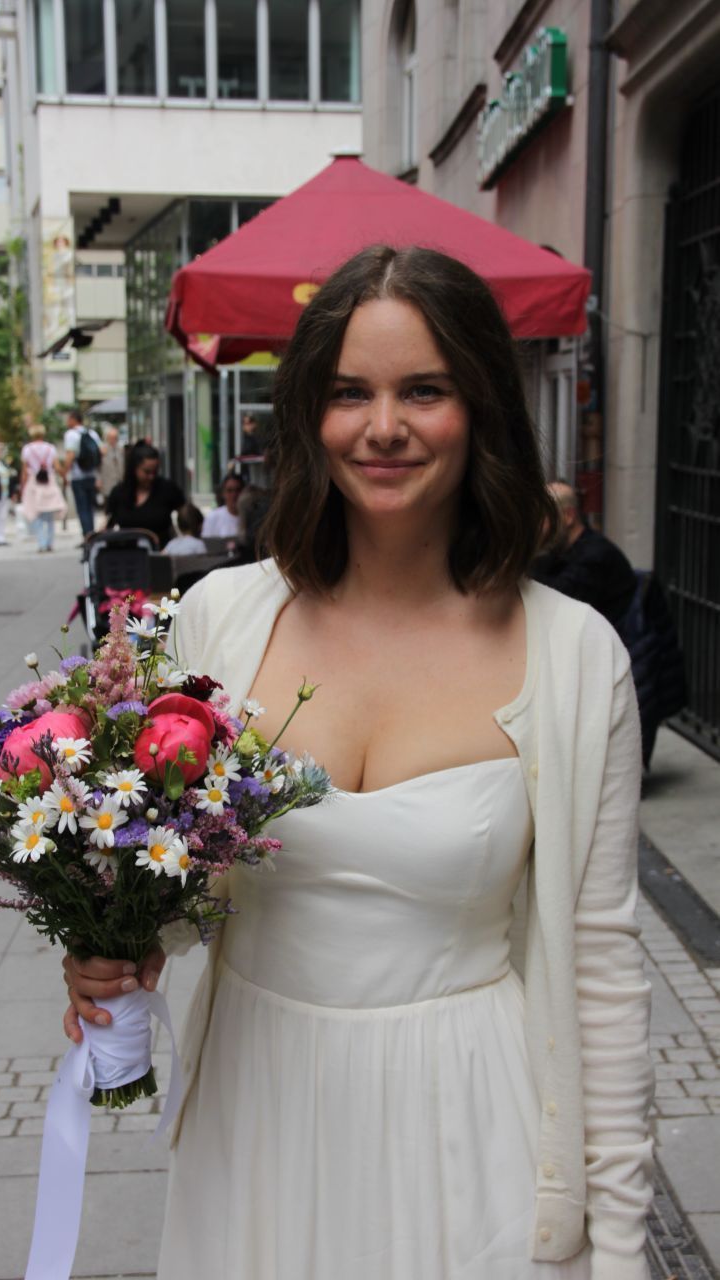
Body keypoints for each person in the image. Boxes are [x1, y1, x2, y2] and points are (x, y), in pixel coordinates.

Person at [62, 247, 653, 1279]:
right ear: (309, 413)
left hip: (470, 1124)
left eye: (423, 389)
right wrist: (112, 939)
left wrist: (619, 1243)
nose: (383, 427)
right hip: (256, 1118)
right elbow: (178, 883)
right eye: (349, 392)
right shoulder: (220, 621)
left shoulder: (574, 655)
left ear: (481, 407)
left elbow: (600, 969)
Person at [532, 480, 637, 628]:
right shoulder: (559, 550)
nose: (537, 526)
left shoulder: (596, 554)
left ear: (568, 516)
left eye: (543, 518)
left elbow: (557, 599)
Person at [105, 444, 186, 546]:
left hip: (160, 551)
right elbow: (108, 524)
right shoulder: (119, 493)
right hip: (127, 552)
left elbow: (187, 515)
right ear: (134, 469)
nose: (151, 477)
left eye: (155, 472)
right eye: (147, 472)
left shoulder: (168, 489)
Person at [20, 422, 66, 553]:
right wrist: (64, 476)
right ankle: (50, 542)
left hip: (34, 482)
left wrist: (22, 486)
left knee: (37, 514)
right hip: (49, 482)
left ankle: (41, 543)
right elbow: (57, 467)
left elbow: (24, 471)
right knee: (49, 515)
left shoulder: (27, 449)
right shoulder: (50, 448)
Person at [62, 408, 102, 539]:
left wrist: (64, 473)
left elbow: (70, 455)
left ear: (73, 420)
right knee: (90, 507)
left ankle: (87, 535)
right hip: (92, 475)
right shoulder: (92, 433)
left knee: (82, 507)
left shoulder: (71, 435)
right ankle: (91, 533)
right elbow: (102, 452)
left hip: (77, 476)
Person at [201, 473, 244, 540]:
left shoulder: (250, 517)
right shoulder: (212, 517)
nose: (234, 495)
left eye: (238, 490)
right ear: (223, 494)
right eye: (229, 491)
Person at [97, 424, 124, 504]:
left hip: (119, 481)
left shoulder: (121, 449)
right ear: (107, 438)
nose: (113, 440)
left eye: (115, 438)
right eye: (111, 437)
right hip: (107, 481)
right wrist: (98, 479)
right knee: (108, 503)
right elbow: (97, 466)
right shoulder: (102, 449)